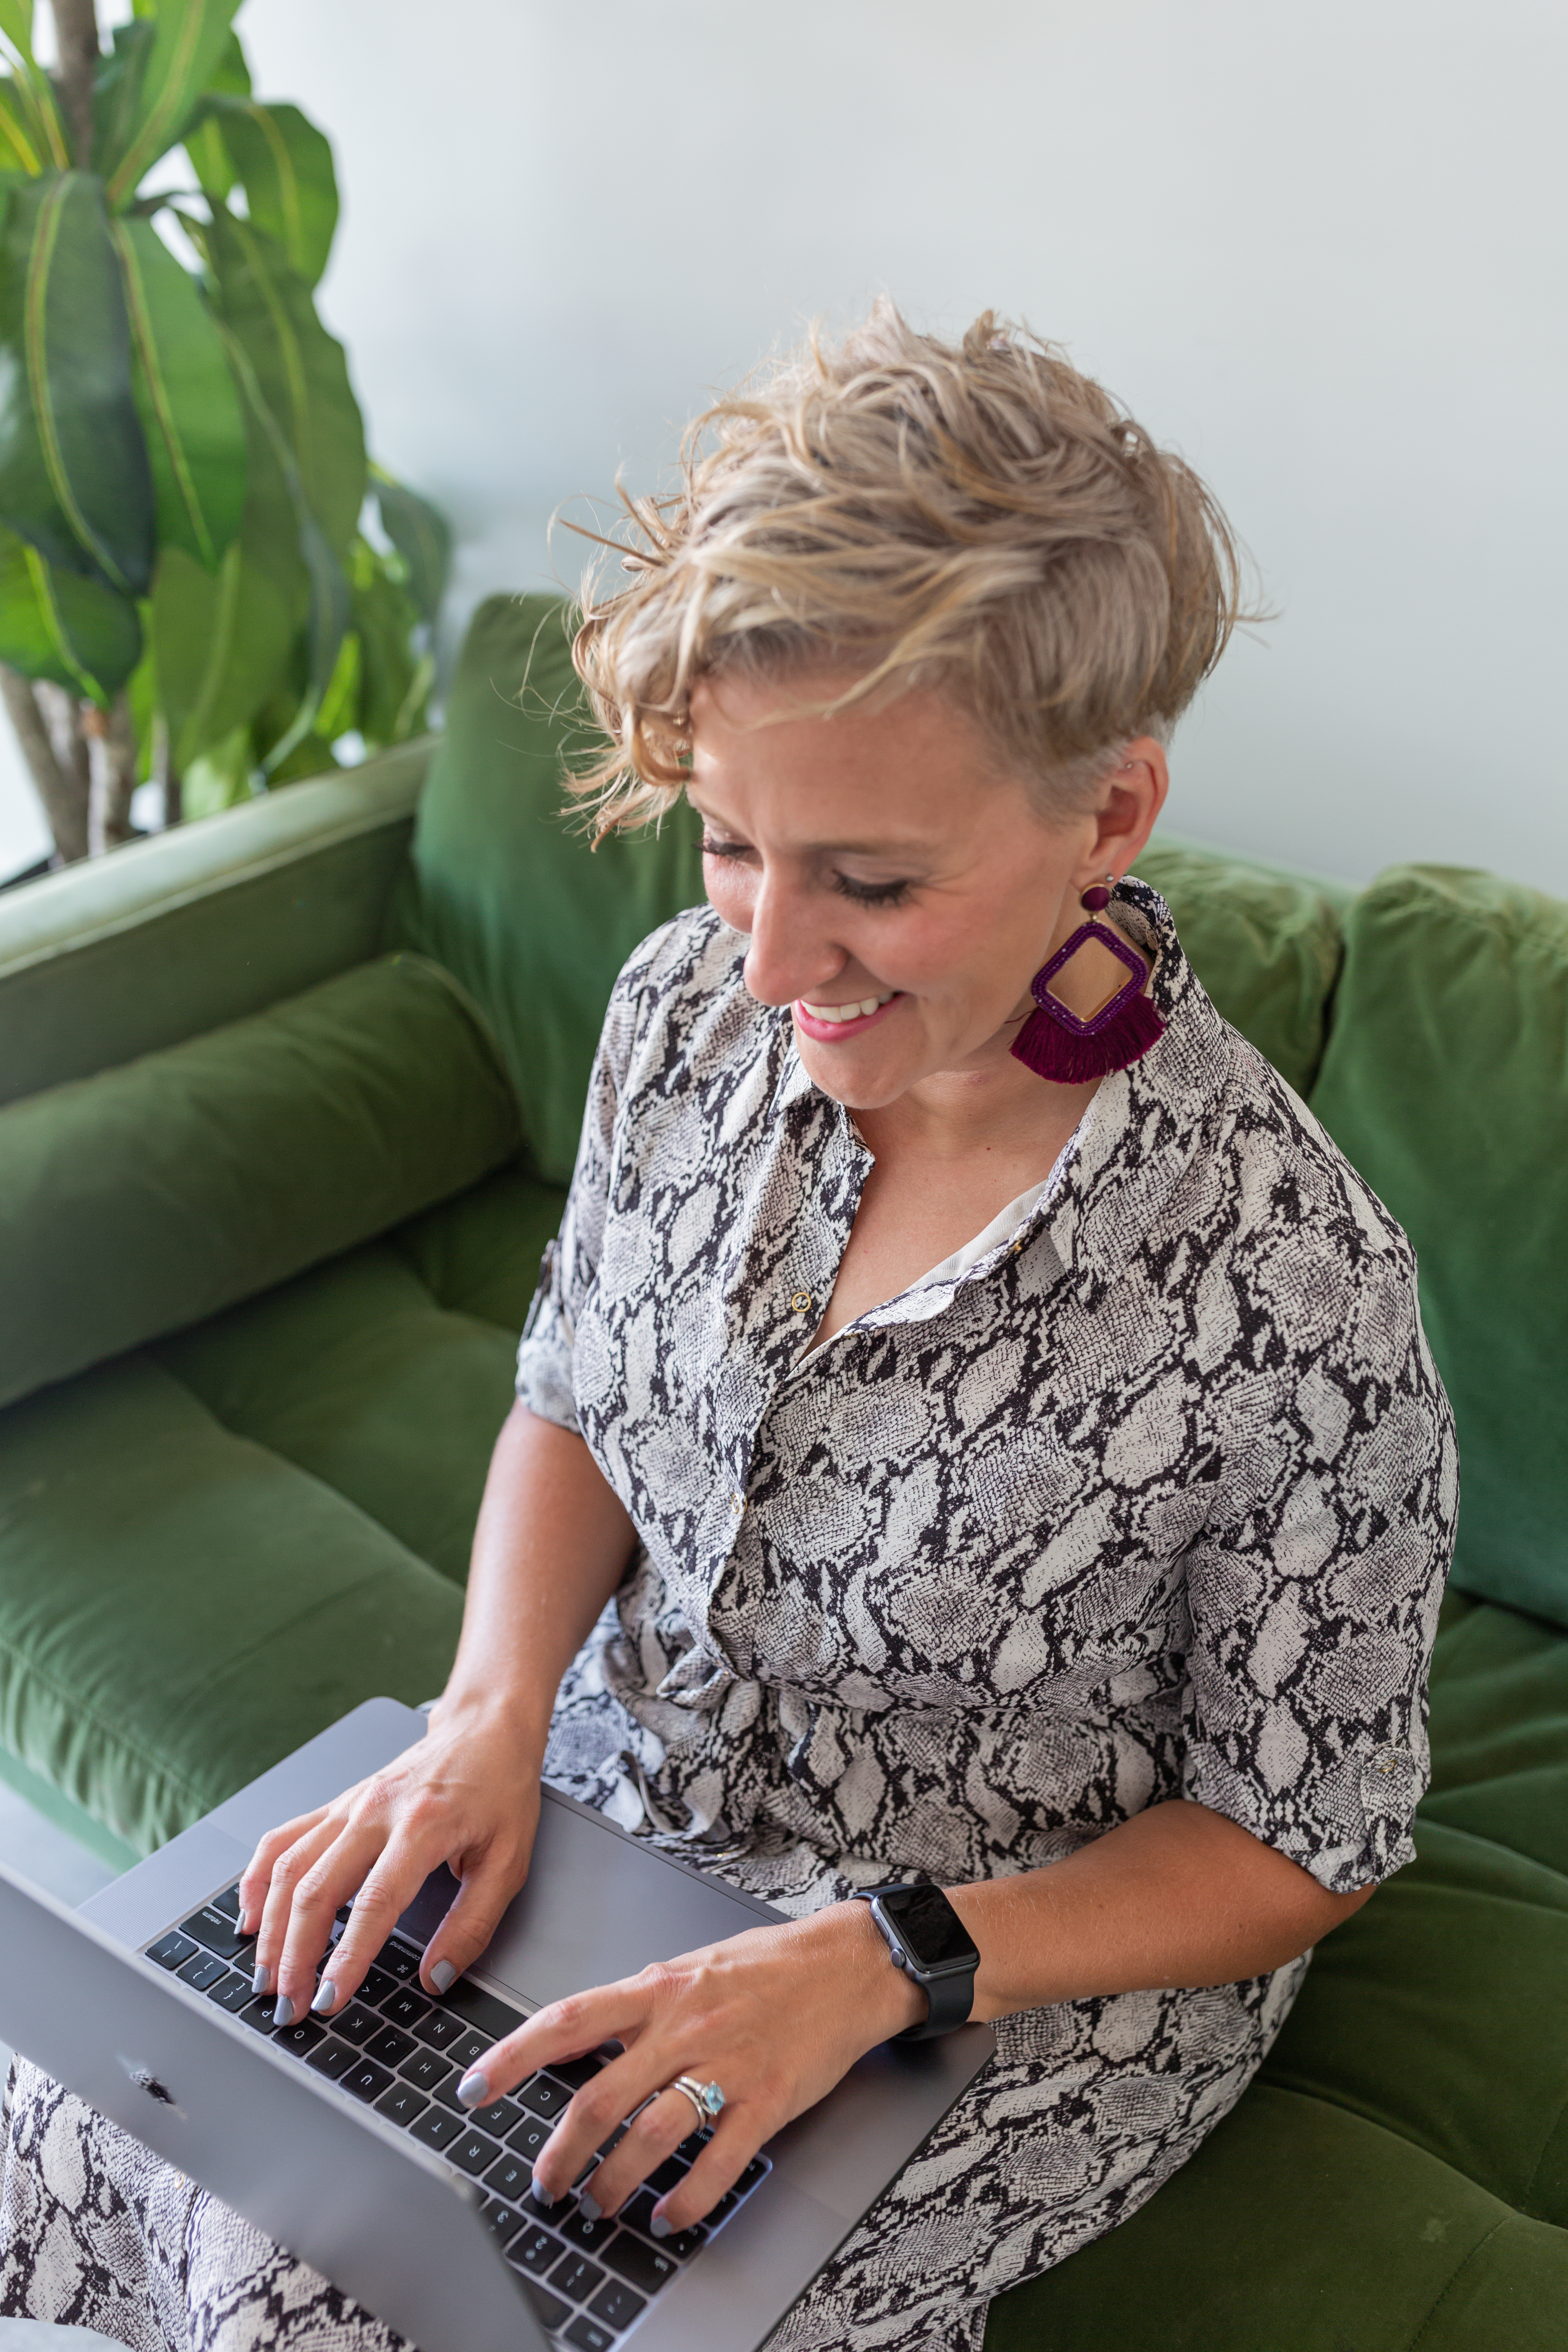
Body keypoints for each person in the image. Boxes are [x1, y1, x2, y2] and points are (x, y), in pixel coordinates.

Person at [1, 307, 1457, 2352]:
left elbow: (1303, 1836)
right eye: (732, 842)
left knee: (327, 2310)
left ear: (1112, 815)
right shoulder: (686, 1009)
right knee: (88, 2122)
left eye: (866, 876)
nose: (769, 956)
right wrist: (487, 1714)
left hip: (987, 1976)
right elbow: (572, 1401)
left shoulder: (1295, 1290)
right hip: (606, 1803)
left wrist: (881, 1963)